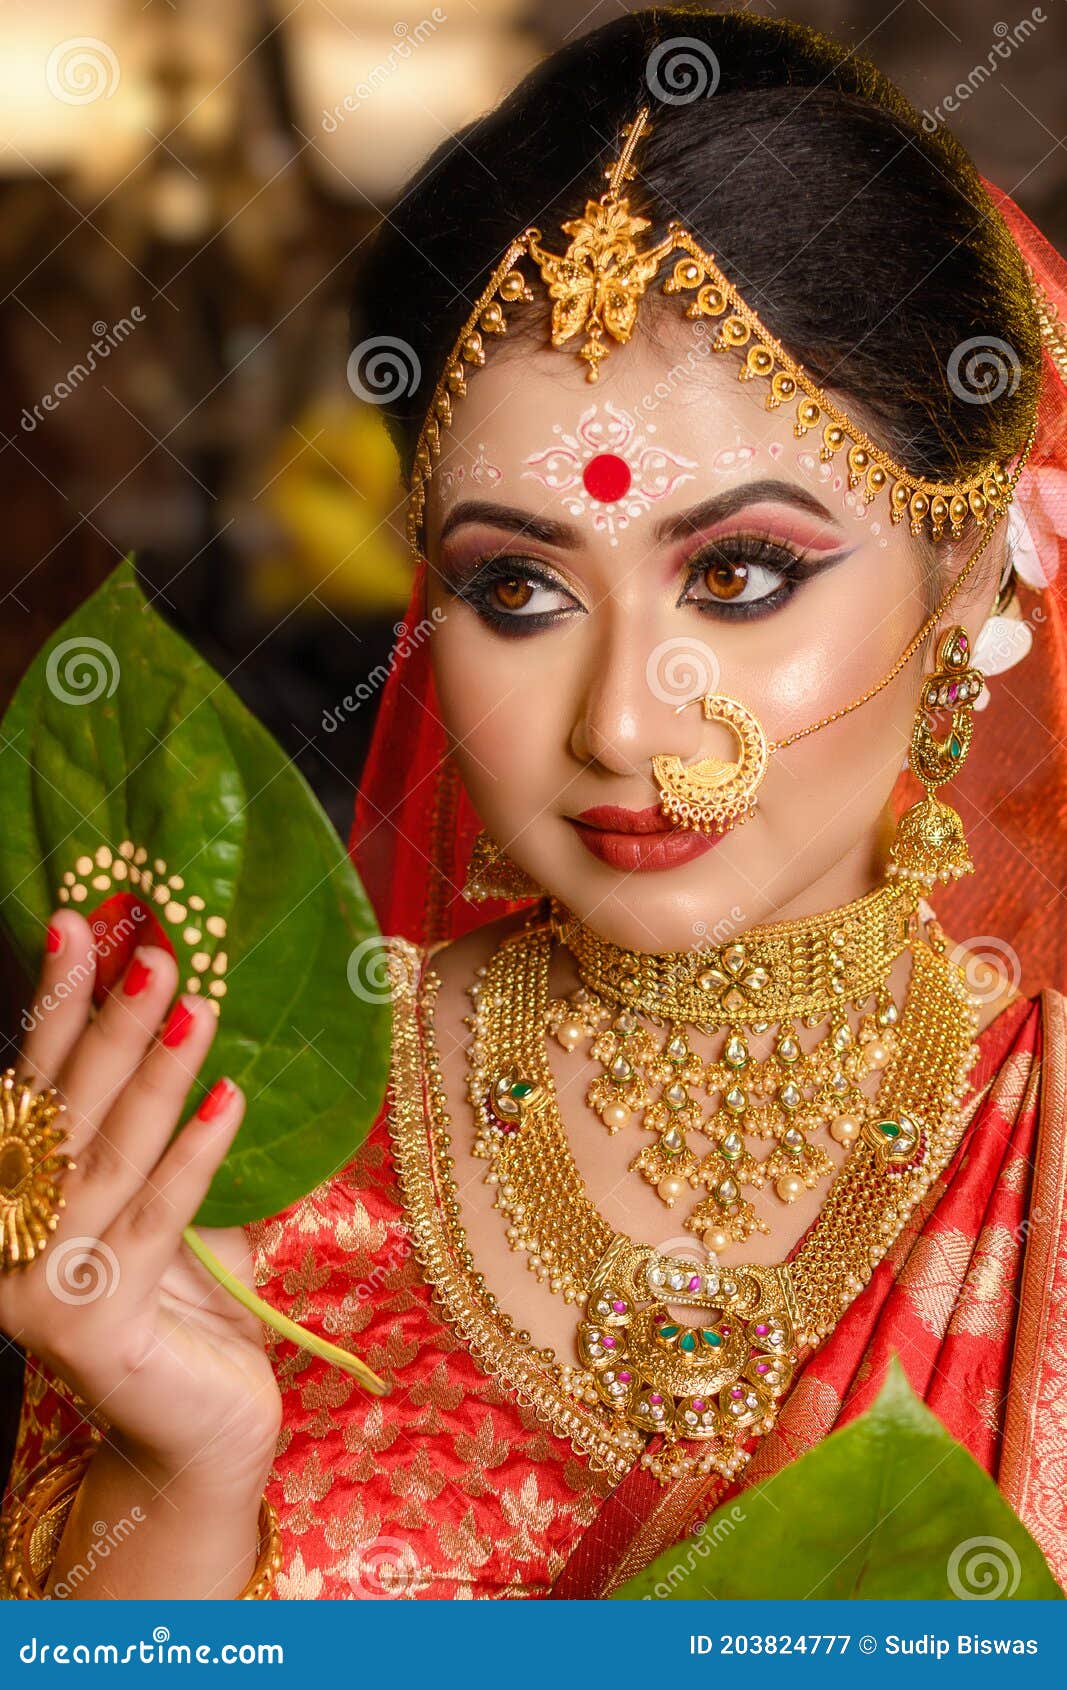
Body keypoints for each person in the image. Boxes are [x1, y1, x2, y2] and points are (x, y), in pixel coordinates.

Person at [2, 7, 1067, 1601]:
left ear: (973, 560)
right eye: (517, 587)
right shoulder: (250, 1139)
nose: (623, 719)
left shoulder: (1038, 1156)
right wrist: (185, 1467)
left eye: (741, 572)